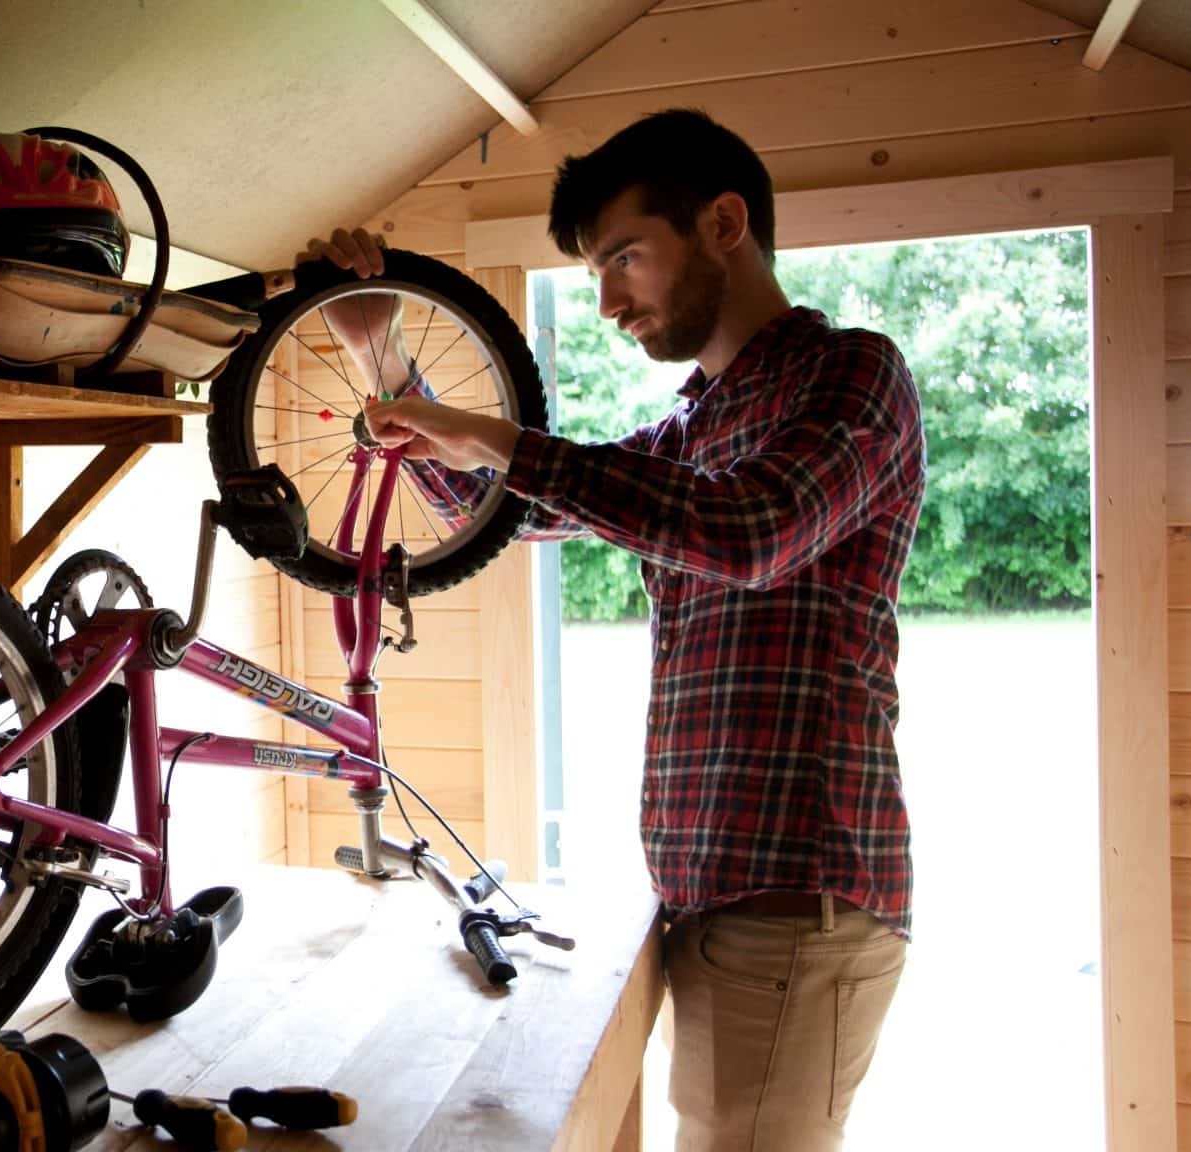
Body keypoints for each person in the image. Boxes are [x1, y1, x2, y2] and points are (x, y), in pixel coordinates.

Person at [301, 108, 926, 1151]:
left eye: (623, 259)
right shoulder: (693, 423)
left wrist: (499, 434)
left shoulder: (852, 374)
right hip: (718, 898)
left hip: (797, 899)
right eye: (595, 271)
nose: (605, 303)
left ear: (722, 222)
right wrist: (384, 355)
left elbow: (748, 532)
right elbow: (499, 506)